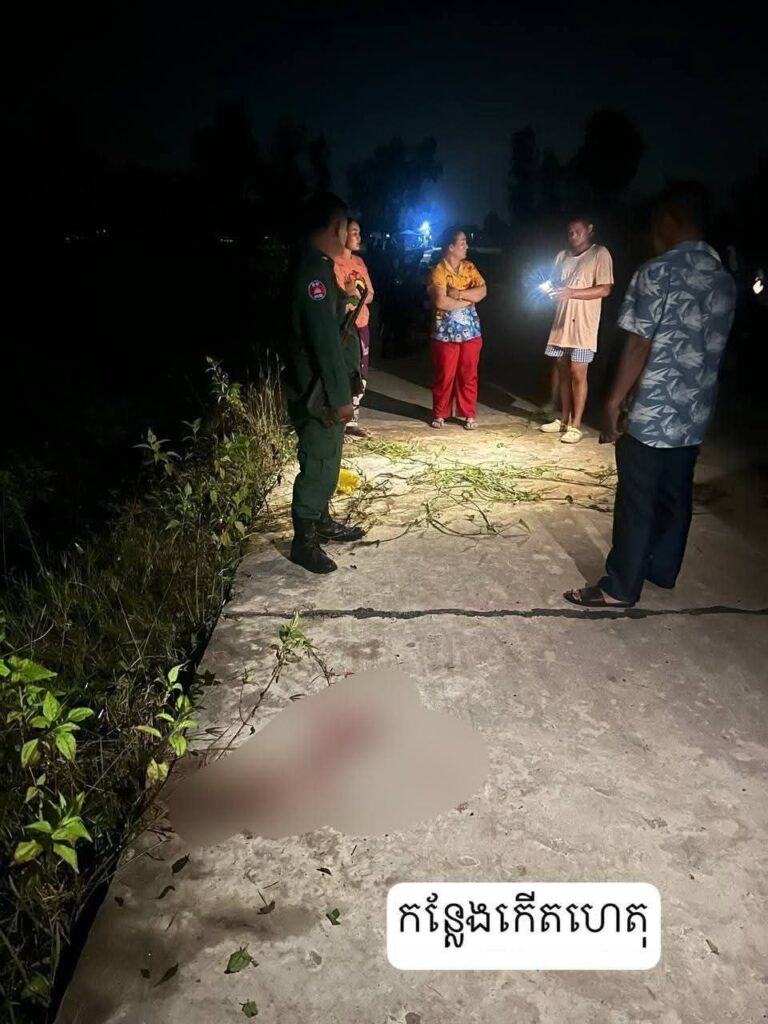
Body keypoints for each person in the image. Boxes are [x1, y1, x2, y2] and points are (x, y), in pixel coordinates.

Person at [565, 182, 737, 608]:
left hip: (653, 410)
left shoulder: (658, 272)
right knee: (676, 494)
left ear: (669, 220)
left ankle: (619, 586)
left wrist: (612, 402)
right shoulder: (724, 279)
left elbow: (640, 343)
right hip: (695, 411)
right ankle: (662, 568)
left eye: (657, 222)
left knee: (637, 498)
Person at [282, 192, 366, 574]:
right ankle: (304, 541)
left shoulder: (317, 267)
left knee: (329, 456)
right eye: (345, 228)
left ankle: (321, 520)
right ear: (336, 228)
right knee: (317, 461)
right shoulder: (313, 274)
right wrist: (340, 395)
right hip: (317, 391)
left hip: (324, 389)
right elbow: (324, 343)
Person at [540, 218, 614, 443]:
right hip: (562, 321)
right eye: (570, 232)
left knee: (578, 373)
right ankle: (563, 418)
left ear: (589, 230)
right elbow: (554, 283)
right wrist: (552, 292)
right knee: (562, 371)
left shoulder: (599, 253)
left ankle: (576, 423)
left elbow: (604, 289)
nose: (573, 236)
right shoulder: (562, 256)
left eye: (578, 231)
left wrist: (572, 292)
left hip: (583, 324)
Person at [426, 229, 487, 429]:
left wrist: (459, 294)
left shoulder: (469, 267)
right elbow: (441, 301)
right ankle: (440, 413)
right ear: (450, 247)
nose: (466, 246)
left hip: (471, 332)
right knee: (445, 374)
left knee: (468, 373)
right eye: (462, 242)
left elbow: (482, 291)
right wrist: (468, 300)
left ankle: (468, 413)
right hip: (445, 333)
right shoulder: (438, 271)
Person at [333, 218, 374, 440]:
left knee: (361, 371)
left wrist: (355, 294)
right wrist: (354, 294)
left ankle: (352, 420)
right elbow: (340, 296)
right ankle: (340, 422)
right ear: (343, 234)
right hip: (345, 324)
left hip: (362, 321)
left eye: (359, 232)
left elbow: (370, 294)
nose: (358, 237)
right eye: (354, 232)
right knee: (345, 371)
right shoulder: (334, 262)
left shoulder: (359, 262)